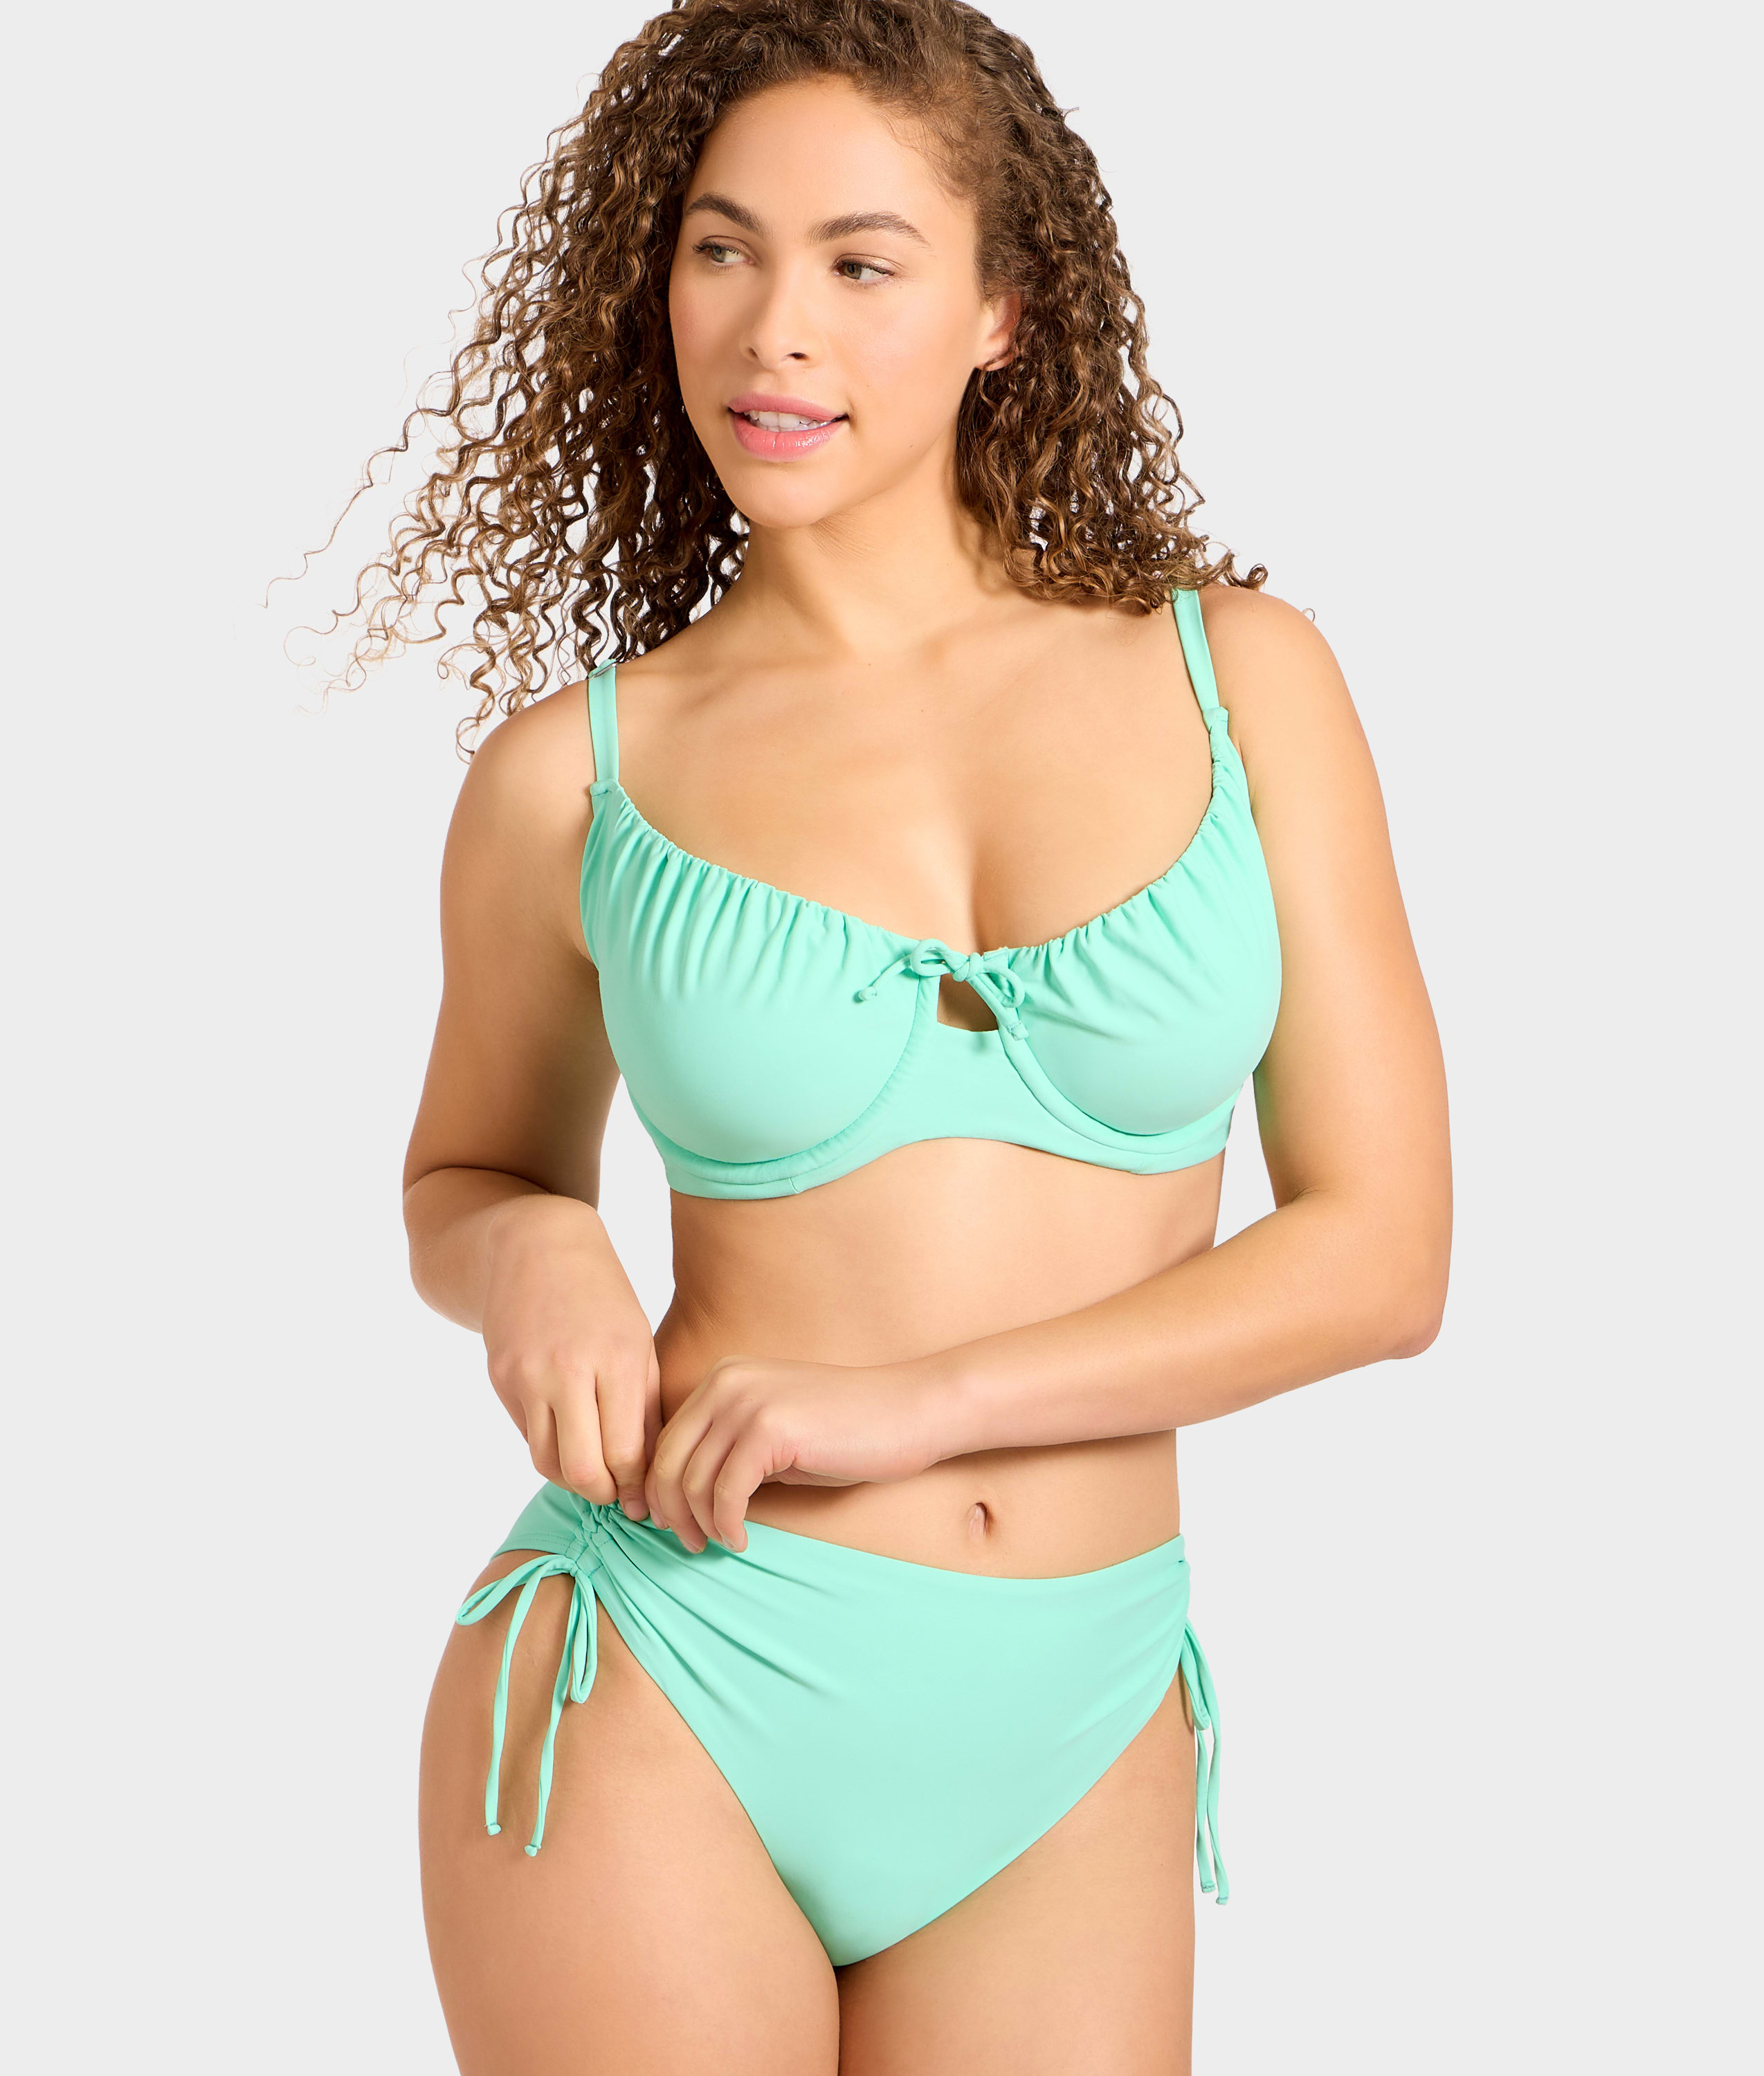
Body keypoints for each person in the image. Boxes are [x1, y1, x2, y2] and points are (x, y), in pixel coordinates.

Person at [350, 2, 1451, 2068]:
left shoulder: (1244, 682)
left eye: (862, 263)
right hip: (670, 1667)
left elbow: (1385, 1258)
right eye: (722, 247)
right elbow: (463, 1175)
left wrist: (923, 1403)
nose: (775, 329)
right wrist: (535, 1247)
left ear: (1005, 312)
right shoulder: (573, 779)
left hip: (1074, 1710)